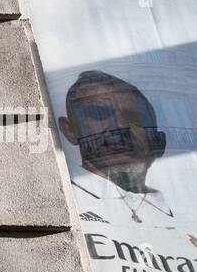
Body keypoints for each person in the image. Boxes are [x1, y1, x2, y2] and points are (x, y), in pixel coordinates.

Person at [59, 70, 179, 226]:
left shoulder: (182, 220)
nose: (120, 126)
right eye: (99, 114)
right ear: (70, 130)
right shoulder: (61, 201)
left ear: (158, 142)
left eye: (134, 118)